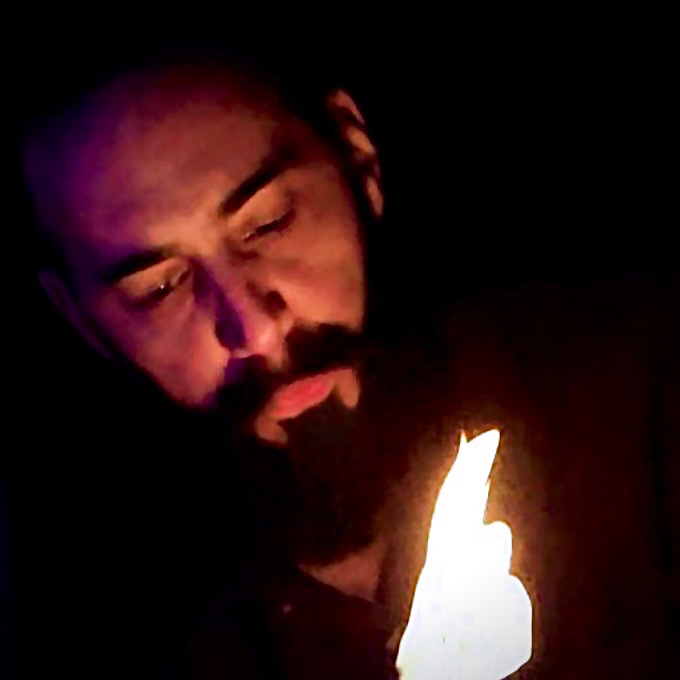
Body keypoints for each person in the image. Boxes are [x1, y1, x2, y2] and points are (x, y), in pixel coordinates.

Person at [8, 34, 678, 678]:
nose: (254, 329)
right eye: (159, 289)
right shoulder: (157, 643)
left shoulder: (639, 386)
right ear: (82, 320)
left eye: (268, 223)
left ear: (357, 158)